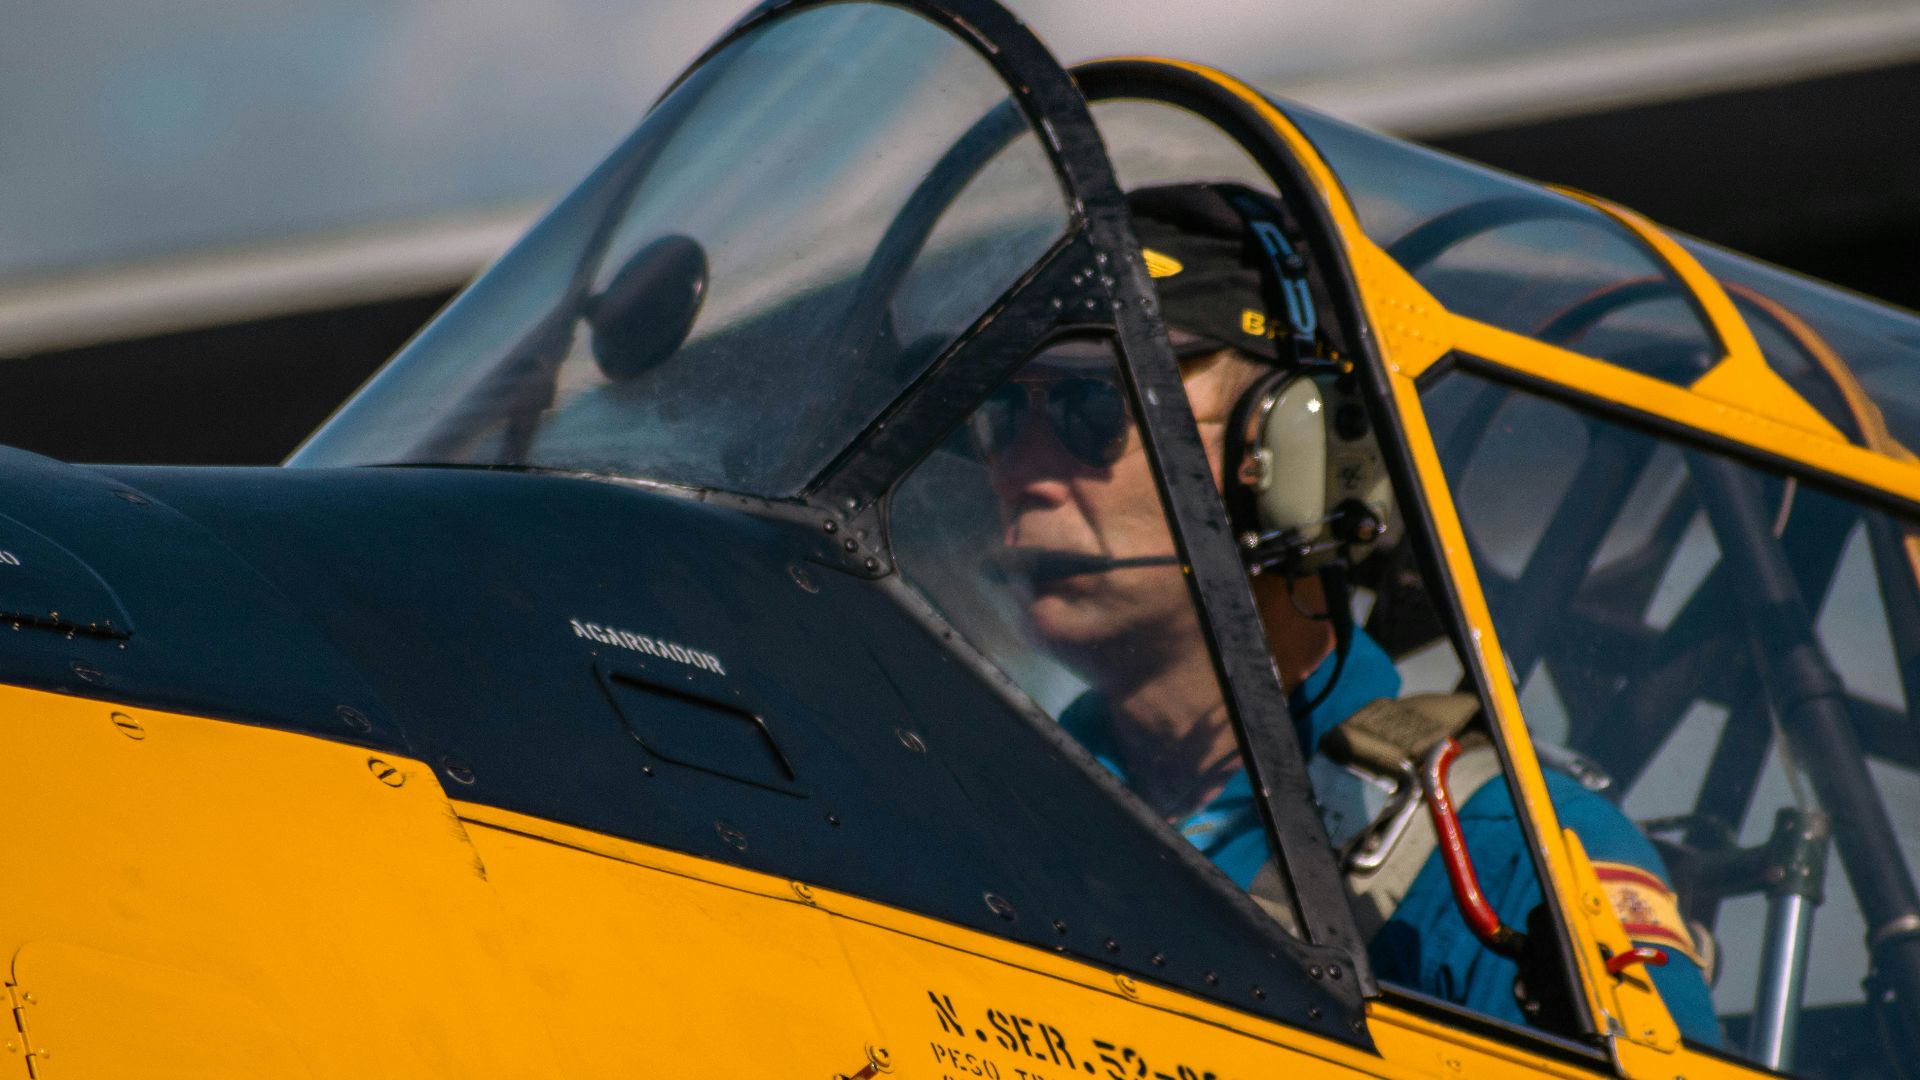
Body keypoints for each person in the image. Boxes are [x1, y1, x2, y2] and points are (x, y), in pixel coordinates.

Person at [974, 181, 1721, 1043]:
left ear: (1296, 456)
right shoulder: (974, 801)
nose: (1018, 471)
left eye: (1090, 407)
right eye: (1001, 413)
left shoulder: (1503, 862)